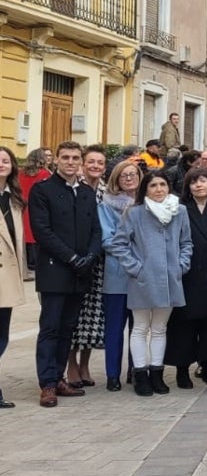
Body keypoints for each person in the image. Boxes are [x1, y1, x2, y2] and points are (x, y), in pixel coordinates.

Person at [29, 141, 103, 407]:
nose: (70, 162)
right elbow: (41, 230)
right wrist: (71, 257)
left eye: (75, 158)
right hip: (55, 271)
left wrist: (90, 257)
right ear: (56, 160)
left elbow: (96, 229)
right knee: (50, 327)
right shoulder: (42, 190)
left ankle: (59, 377)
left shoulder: (85, 192)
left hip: (81, 271)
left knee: (67, 329)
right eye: (65, 157)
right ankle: (47, 383)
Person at [108, 171, 193, 397]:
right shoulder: (134, 213)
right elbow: (119, 244)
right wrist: (136, 268)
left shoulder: (180, 211)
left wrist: (181, 266)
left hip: (170, 280)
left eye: (163, 184)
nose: (158, 189)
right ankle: (141, 374)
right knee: (140, 328)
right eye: (153, 185)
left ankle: (157, 372)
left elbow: (186, 243)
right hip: (143, 281)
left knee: (160, 329)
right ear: (145, 189)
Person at [167, 168, 207, 389]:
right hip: (187, 274)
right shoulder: (178, 210)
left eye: (202, 180)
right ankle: (182, 369)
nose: (198, 185)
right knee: (183, 325)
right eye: (193, 182)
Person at [66, 144, 109, 389]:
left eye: (99, 163)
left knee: (94, 316)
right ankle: (71, 364)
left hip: (100, 261)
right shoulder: (75, 188)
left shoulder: (106, 192)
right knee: (75, 314)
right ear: (84, 164)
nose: (95, 166)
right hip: (75, 260)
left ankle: (85, 364)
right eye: (91, 162)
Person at [98, 160, 141, 391]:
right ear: (116, 179)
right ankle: (112, 375)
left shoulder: (148, 204)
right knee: (114, 329)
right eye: (123, 175)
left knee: (140, 328)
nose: (128, 178)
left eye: (133, 174)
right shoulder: (105, 206)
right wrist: (131, 258)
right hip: (116, 275)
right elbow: (108, 241)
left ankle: (136, 369)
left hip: (142, 277)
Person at [0, 146, 28, 408]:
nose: (1, 164)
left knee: (2, 335)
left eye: (5, 160)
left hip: (7, 278)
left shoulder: (14, 198)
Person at [18, 147, 51, 275]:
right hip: (37, 207)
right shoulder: (44, 174)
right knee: (35, 233)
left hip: (21, 206)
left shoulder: (20, 173)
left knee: (24, 233)